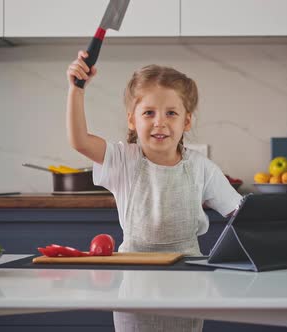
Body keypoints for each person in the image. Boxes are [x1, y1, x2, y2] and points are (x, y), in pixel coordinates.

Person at [66, 50, 243, 332]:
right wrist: (76, 89)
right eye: (149, 112)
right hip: (134, 285)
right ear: (132, 120)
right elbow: (79, 140)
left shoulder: (202, 167)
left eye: (171, 113)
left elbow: (241, 216)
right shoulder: (123, 160)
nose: (159, 121)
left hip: (189, 286)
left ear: (186, 122)